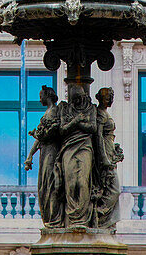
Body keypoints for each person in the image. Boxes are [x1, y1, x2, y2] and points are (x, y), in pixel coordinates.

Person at [54, 88, 98, 227]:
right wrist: (77, 121)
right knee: (70, 182)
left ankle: (82, 217)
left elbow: (93, 128)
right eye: (76, 98)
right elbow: (62, 129)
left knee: (83, 182)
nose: (78, 100)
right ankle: (71, 216)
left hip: (85, 146)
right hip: (68, 147)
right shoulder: (65, 109)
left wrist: (76, 123)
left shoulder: (90, 109)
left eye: (80, 97)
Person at [24, 85, 63, 228]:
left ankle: (54, 218)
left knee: (50, 183)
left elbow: (48, 135)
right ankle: (49, 217)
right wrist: (30, 156)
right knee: (44, 185)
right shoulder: (48, 112)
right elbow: (40, 138)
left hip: (52, 152)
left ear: (48, 96)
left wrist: (39, 136)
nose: (39, 98)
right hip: (45, 152)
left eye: (41, 95)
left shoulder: (55, 112)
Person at [92, 87, 122, 229]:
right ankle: (99, 213)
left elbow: (106, 136)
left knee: (111, 187)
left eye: (111, 97)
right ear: (100, 98)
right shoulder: (100, 115)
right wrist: (103, 157)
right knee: (114, 188)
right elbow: (98, 137)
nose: (110, 99)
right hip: (104, 155)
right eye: (107, 97)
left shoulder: (104, 114)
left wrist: (115, 148)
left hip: (109, 152)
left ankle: (103, 218)